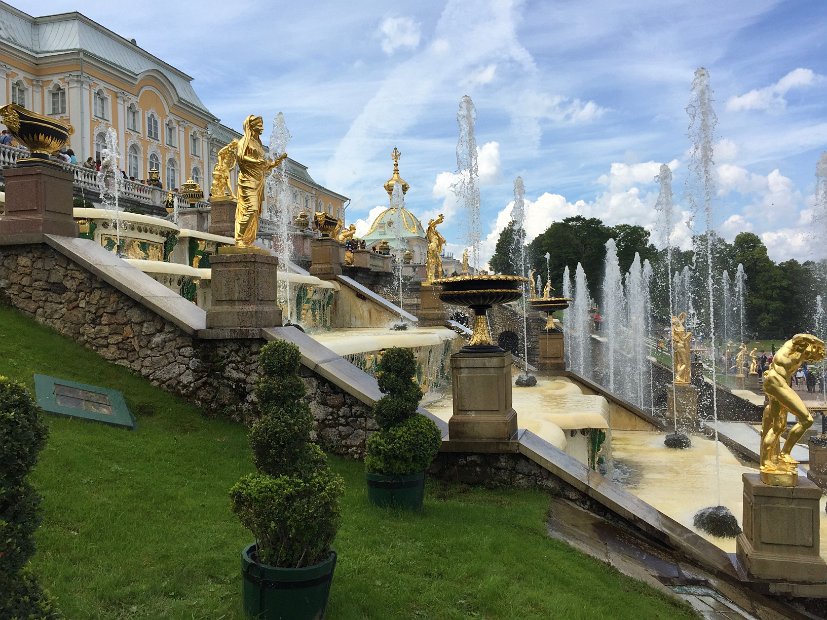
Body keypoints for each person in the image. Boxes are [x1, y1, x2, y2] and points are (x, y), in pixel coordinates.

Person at [760, 334, 825, 477]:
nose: (811, 358)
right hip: (776, 383)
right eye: (814, 355)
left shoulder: (800, 356)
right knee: (807, 419)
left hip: (775, 384)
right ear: (813, 347)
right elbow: (801, 336)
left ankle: (765, 461)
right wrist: (822, 343)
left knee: (779, 427)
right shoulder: (793, 345)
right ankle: (785, 453)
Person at [234, 115, 286, 247]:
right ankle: (239, 238)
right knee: (251, 209)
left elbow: (264, 165)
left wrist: (276, 162)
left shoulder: (258, 144)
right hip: (247, 180)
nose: (262, 127)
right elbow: (240, 158)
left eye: (262, 124)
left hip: (258, 181)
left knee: (256, 212)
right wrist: (256, 161)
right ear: (251, 126)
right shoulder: (243, 142)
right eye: (259, 124)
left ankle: (248, 239)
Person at [425, 213, 446, 283]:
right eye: (433, 223)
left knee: (439, 262)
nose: (435, 225)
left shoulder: (435, 233)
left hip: (435, 248)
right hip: (432, 247)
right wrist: (439, 219)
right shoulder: (430, 229)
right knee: (432, 262)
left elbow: (441, 238)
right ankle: (431, 278)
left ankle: (440, 278)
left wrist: (443, 240)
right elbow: (432, 224)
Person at [671, 312, 691, 384]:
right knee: (685, 363)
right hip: (681, 346)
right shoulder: (680, 330)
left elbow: (683, 316)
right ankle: (678, 376)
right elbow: (684, 339)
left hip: (677, 346)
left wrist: (681, 315)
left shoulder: (675, 329)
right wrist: (689, 334)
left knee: (679, 363)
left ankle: (679, 378)